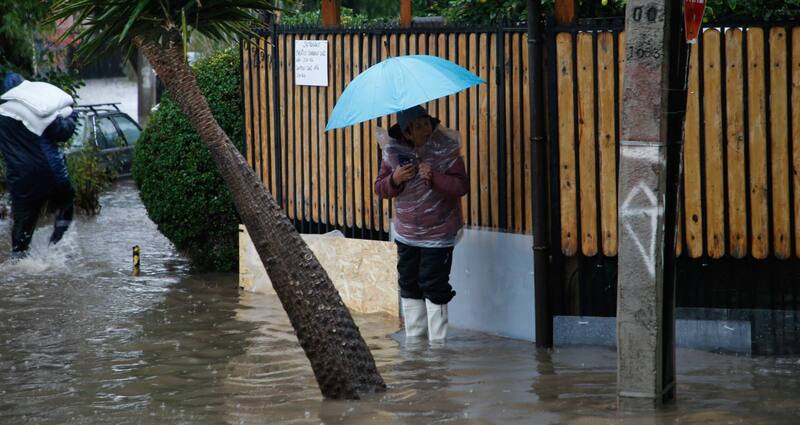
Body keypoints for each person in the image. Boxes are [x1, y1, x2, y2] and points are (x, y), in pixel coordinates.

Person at [374, 105, 469, 341]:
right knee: (409, 284)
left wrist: (435, 177)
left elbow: (461, 186)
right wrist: (394, 179)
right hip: (406, 234)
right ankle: (415, 343)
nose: (425, 130)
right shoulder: (393, 151)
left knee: (434, 285)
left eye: (426, 123)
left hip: (438, 235)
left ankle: (438, 347)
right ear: (406, 133)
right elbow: (380, 188)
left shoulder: (446, 148)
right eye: (417, 127)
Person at [0, 73, 78, 258]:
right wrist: (72, 117)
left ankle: (18, 259)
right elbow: (62, 133)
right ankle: (56, 248)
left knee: (23, 220)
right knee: (66, 202)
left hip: (19, 178)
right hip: (49, 171)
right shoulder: (39, 107)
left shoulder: (2, 116)